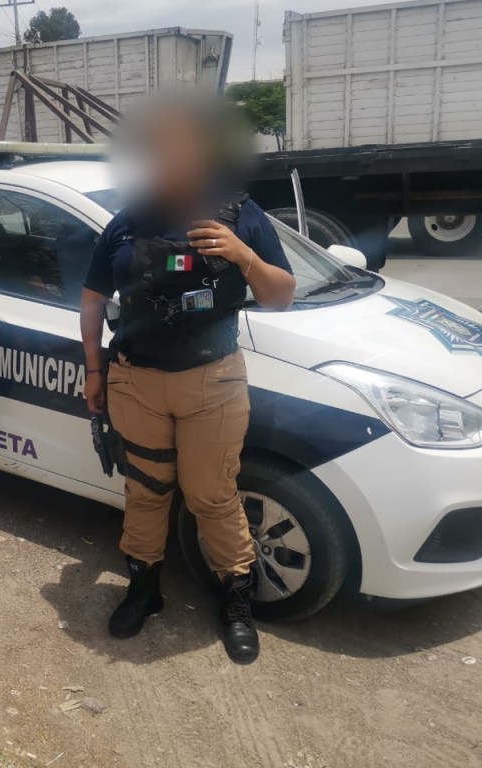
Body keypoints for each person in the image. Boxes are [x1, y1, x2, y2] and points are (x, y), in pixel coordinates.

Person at [79, 93, 296, 663]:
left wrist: (243, 255)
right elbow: (92, 297)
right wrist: (94, 370)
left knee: (212, 495)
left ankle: (236, 603)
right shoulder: (127, 222)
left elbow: (282, 296)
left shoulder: (240, 213)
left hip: (212, 383)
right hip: (136, 383)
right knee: (145, 492)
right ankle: (144, 591)